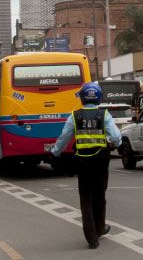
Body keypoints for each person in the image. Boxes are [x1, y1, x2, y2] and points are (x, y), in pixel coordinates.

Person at [49, 82, 121, 249]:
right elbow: (116, 137)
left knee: (86, 199)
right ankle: (100, 227)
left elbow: (63, 138)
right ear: (98, 98)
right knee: (100, 196)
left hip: (83, 162)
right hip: (101, 162)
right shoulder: (105, 115)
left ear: (82, 98)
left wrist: (55, 153)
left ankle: (92, 238)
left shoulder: (75, 116)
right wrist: (114, 143)